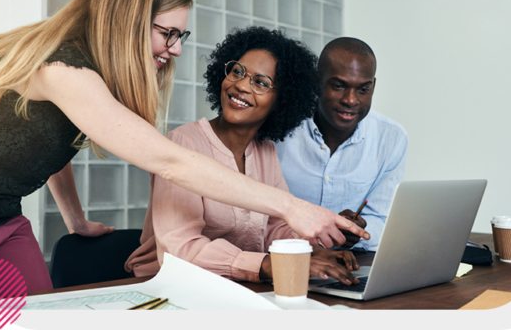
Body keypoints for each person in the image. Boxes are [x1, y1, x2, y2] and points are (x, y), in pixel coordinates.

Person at [0, 0, 367, 294]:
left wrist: (75, 218)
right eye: (167, 33)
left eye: (180, 34)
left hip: (4, 218)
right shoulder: (63, 70)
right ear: (128, 20)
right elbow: (170, 162)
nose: (177, 49)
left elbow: (45, 142)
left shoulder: (85, 75)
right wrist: (296, 208)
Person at [125, 27, 360, 285]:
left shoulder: (265, 151)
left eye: (260, 82)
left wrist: (312, 252)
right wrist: (270, 265)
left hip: (235, 287)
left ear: (281, 100)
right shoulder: (183, 144)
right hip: (164, 287)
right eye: (237, 71)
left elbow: (273, 228)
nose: (240, 85)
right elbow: (180, 251)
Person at [275, 37, 408, 251]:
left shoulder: (391, 138)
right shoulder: (279, 128)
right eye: (338, 86)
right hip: (285, 259)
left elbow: (381, 220)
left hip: (350, 264)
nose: (351, 100)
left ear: (373, 86)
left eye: (363, 89)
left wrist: (361, 228)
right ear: (317, 82)